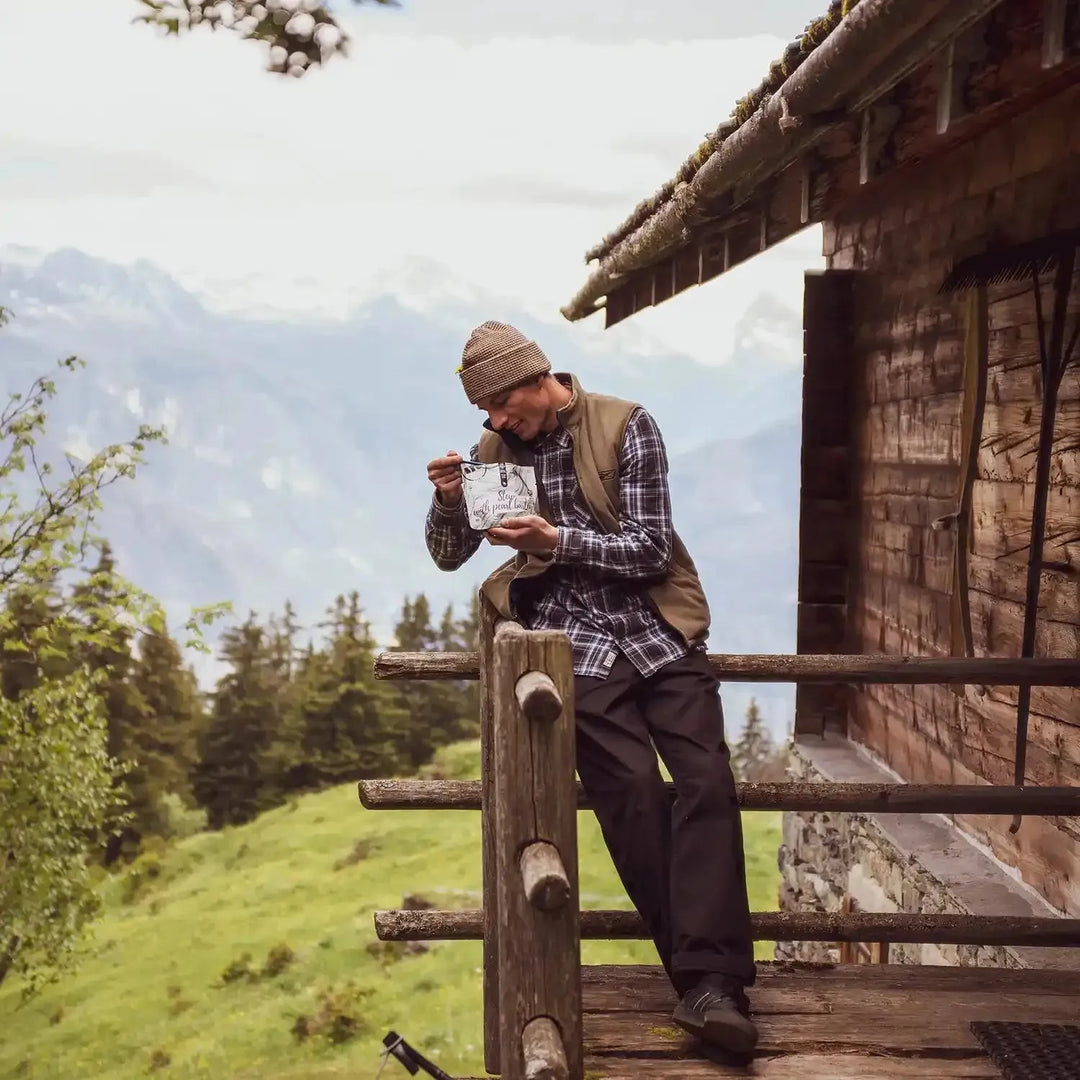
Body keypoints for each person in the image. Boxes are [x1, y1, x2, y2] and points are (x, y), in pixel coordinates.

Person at [424, 320, 758, 1055]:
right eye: (486, 413)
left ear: (538, 379)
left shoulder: (625, 426)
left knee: (706, 779)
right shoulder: (494, 452)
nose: (494, 422)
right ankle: (709, 987)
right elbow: (452, 557)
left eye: (503, 406)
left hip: (656, 630)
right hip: (572, 649)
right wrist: (451, 502)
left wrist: (555, 541)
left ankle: (712, 986)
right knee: (632, 795)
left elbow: (648, 549)